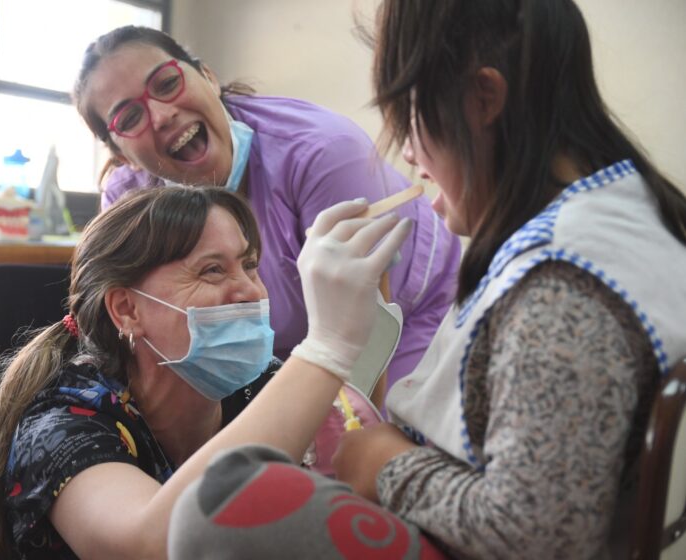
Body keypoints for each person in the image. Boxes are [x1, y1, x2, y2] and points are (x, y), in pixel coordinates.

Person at [167, 1, 686, 559]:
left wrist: (384, 463)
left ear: (483, 100)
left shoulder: (562, 284)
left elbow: (536, 534)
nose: (408, 152)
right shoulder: (639, 210)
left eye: (406, 118)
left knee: (214, 504)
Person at [0, 185, 416, 559]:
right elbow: (149, 546)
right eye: (212, 271)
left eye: (250, 265)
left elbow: (367, 458)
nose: (249, 291)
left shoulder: (258, 388)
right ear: (127, 310)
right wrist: (327, 346)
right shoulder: (65, 428)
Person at [73, 25, 461, 394]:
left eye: (168, 83)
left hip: (405, 315)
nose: (160, 115)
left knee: (362, 449)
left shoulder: (322, 152)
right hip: (277, 355)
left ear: (207, 76)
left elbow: (365, 332)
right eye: (130, 118)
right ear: (121, 152)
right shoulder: (131, 202)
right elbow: (143, 339)